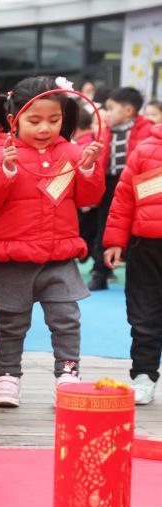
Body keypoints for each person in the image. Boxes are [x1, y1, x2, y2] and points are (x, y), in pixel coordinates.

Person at [0, 76, 105, 408]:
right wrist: (5, 170)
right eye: (34, 120)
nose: (45, 128)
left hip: (59, 254)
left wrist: (89, 168)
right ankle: (8, 376)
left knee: (66, 318)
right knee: (11, 323)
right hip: (12, 255)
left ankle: (68, 373)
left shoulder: (73, 153)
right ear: (14, 119)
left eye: (54, 119)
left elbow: (89, 198)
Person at [103, 122, 162, 405]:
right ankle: (144, 375)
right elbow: (124, 198)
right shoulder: (145, 150)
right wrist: (116, 241)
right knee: (144, 314)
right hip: (145, 247)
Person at [89, 87, 153, 290]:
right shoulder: (104, 131)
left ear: (128, 111)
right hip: (109, 184)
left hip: (138, 186)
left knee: (136, 229)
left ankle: (138, 272)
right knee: (105, 227)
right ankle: (100, 271)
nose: (106, 113)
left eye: (111, 108)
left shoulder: (147, 129)